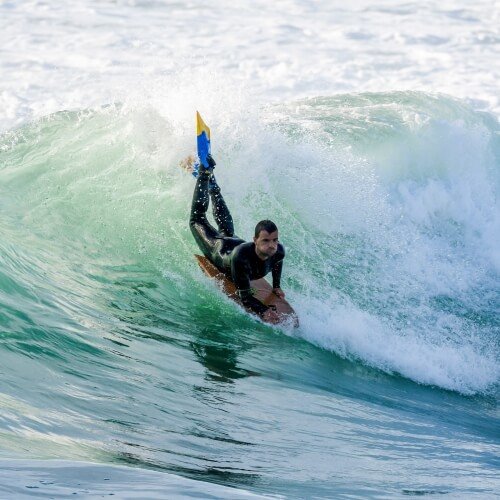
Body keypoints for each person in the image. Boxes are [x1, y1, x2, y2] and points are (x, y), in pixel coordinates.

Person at [189, 154, 285, 324]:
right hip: (218, 249)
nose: (272, 246)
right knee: (197, 219)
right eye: (266, 241)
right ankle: (204, 174)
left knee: (227, 228)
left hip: (234, 241)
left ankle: (213, 187)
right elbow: (245, 298)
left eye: (275, 240)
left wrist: (276, 285)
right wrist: (263, 311)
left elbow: (277, 264)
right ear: (255, 240)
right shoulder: (241, 259)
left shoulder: (278, 251)